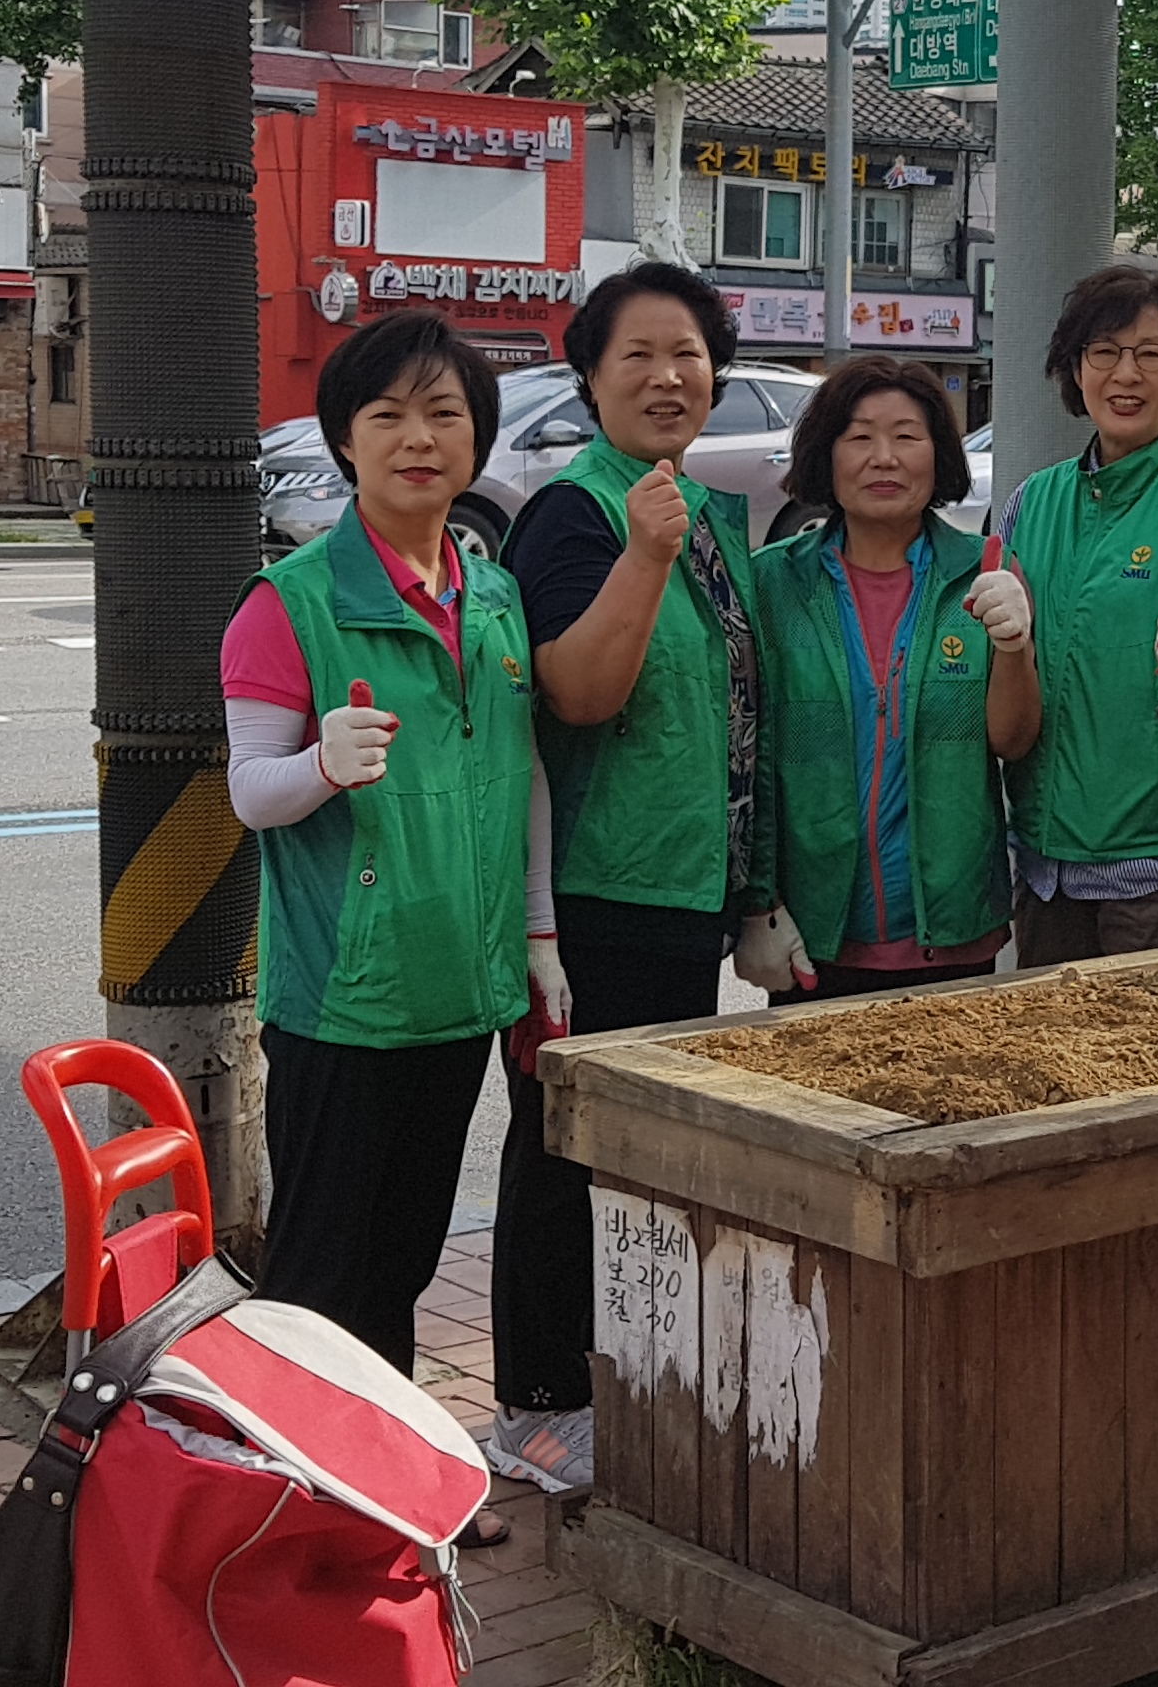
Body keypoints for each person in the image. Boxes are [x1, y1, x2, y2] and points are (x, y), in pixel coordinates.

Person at [220, 308, 558, 1550]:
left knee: (407, 1252)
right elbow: (250, 790)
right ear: (346, 442)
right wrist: (321, 760)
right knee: (323, 1271)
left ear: (476, 437)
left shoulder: (497, 593)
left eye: (445, 414)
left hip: (461, 985)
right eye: (389, 417)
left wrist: (536, 940)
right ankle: (308, 1498)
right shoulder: (291, 602)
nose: (420, 438)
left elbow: (519, 775)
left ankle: (386, 1487)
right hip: (346, 995)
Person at [486, 260, 763, 1499]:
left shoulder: (703, 513)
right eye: (638, 354)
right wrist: (645, 557)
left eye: (690, 353)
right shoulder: (579, 514)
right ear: (589, 375)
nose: (667, 376)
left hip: (684, 897)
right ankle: (540, 1405)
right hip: (586, 900)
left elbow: (739, 721)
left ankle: (626, 1383)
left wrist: (752, 891)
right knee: (562, 1154)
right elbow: (578, 694)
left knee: (644, 1159)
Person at [730, 357, 1041, 1000]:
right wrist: (757, 903)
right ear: (827, 454)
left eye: (907, 436)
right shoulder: (771, 584)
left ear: (940, 455)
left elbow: (1011, 741)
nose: (884, 457)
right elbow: (750, 759)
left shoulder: (986, 571)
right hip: (812, 934)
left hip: (953, 930)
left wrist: (1015, 646)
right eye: (860, 436)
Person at [994, 266, 1158, 962]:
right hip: (1045, 867)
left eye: (1152, 354)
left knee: (1148, 1069)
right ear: (1075, 369)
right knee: (1047, 1064)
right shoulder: (1033, 501)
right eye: (1105, 351)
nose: (1127, 373)